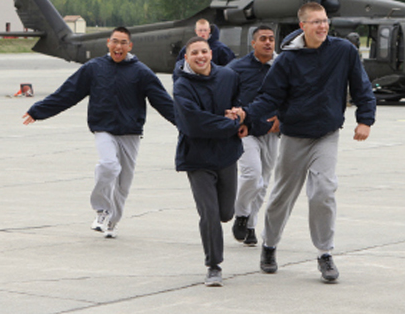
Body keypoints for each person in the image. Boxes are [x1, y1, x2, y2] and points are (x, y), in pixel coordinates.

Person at [232, 2, 376, 283]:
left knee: (323, 190)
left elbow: (361, 85)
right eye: (316, 22)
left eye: (325, 21)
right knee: (282, 196)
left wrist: (365, 119)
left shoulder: (343, 51)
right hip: (295, 136)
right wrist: (246, 115)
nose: (322, 26)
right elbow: (269, 97)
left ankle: (324, 253)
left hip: (326, 134)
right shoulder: (286, 60)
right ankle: (270, 246)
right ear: (303, 26)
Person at [22, 26, 176, 238]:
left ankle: (112, 222)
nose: (118, 46)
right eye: (115, 41)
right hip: (103, 129)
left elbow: (164, 103)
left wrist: (187, 125)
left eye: (123, 42)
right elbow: (68, 93)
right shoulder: (94, 68)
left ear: (130, 46)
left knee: (123, 185)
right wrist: (38, 111)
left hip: (130, 133)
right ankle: (102, 210)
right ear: (108, 43)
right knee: (108, 165)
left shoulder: (141, 72)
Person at [173, 36, 246, 287]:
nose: (200, 56)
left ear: (211, 54)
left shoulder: (228, 77)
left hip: (226, 155)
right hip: (197, 159)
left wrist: (239, 114)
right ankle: (213, 266)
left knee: (226, 212)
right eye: (194, 53)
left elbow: (241, 104)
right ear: (187, 58)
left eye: (204, 51)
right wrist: (230, 124)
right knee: (210, 213)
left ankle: (225, 226)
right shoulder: (182, 86)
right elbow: (194, 123)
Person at [227, 25, 280, 247]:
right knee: (252, 174)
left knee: (263, 182)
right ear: (253, 43)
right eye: (263, 39)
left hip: (272, 133)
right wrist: (235, 120)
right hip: (245, 132)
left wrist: (283, 119)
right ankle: (240, 214)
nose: (268, 42)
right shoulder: (237, 68)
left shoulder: (282, 66)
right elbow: (224, 97)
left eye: (271, 39)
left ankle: (250, 225)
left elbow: (297, 95)